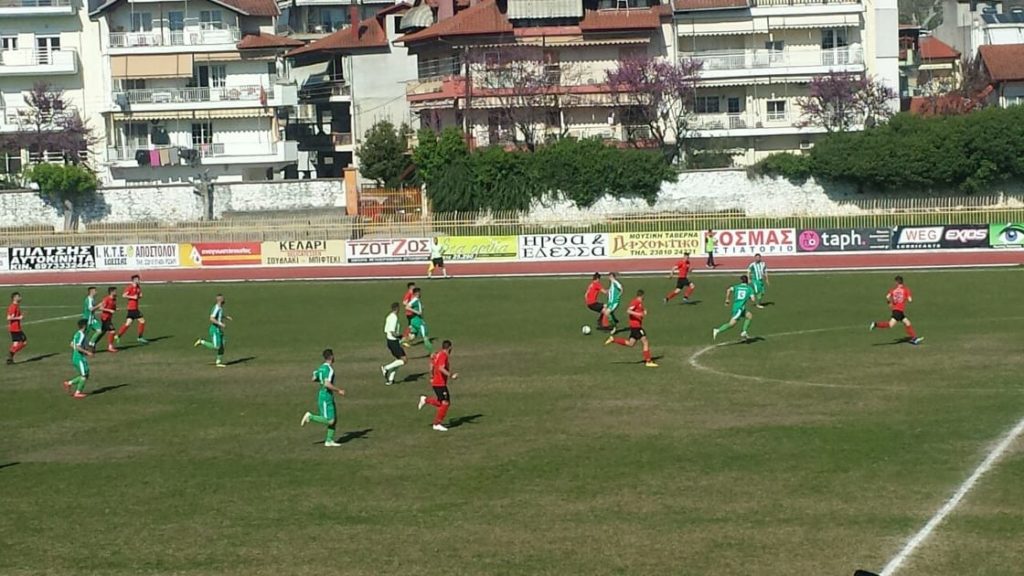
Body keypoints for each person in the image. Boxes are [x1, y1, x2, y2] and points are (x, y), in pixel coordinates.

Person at [300, 349, 346, 447]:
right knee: (330, 420)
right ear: (331, 357)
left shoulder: (321, 368)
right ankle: (310, 417)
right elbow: (327, 384)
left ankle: (329, 440)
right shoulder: (329, 369)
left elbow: (313, 378)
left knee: (334, 418)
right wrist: (339, 390)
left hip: (325, 395)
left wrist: (318, 378)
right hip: (326, 396)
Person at [605, 289, 658, 367]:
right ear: (642, 296)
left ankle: (613, 339)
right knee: (645, 341)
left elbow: (640, 311)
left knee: (631, 343)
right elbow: (628, 311)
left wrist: (644, 312)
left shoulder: (640, 303)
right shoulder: (635, 302)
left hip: (635, 327)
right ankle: (648, 361)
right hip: (636, 326)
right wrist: (639, 314)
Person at [871, 275, 923, 345]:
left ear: (896, 282)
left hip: (896, 310)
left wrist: (889, 303)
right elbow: (910, 300)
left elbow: (887, 296)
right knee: (890, 325)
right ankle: (876, 324)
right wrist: (907, 298)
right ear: (902, 282)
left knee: (907, 323)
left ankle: (914, 339)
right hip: (899, 311)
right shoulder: (906, 289)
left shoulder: (893, 290)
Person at [418, 339, 457, 432]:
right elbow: (441, 368)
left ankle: (425, 400)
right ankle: (437, 424)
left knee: (441, 402)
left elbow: (431, 365)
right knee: (446, 403)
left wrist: (431, 376)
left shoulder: (437, 354)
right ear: (450, 348)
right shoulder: (443, 355)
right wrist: (451, 375)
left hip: (436, 382)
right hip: (440, 383)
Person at [713, 275, 755, 341]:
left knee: (749, 315)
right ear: (747, 281)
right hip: (739, 309)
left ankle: (744, 331)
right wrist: (748, 296)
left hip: (737, 307)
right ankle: (717, 330)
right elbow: (753, 299)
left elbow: (728, 290)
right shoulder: (749, 288)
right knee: (731, 324)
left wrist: (727, 299)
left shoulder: (736, 287)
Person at [194, 294, 232, 367]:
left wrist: (226, 317)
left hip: (219, 330)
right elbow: (211, 318)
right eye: (223, 299)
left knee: (222, 344)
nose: (224, 300)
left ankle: (218, 362)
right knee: (216, 346)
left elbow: (219, 315)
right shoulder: (216, 308)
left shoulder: (220, 308)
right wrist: (220, 324)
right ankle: (201, 341)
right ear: (220, 300)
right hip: (215, 329)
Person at [63, 319, 93, 399]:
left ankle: (68, 383)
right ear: (84, 326)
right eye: (87, 325)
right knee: (84, 376)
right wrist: (87, 352)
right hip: (79, 358)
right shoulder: (81, 335)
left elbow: (71, 344)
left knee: (86, 374)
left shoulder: (77, 334)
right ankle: (77, 393)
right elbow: (78, 347)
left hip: (77, 357)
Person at [116, 275, 148, 345]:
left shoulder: (138, 287)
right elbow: (124, 295)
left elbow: (140, 295)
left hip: (133, 308)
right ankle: (140, 337)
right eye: (137, 279)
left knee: (128, 323)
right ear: (134, 280)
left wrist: (139, 296)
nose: (139, 280)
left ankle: (118, 336)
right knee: (142, 321)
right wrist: (132, 297)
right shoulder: (130, 287)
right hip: (132, 308)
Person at [381, 302, 406, 385]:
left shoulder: (389, 316)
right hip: (393, 342)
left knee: (398, 360)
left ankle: (391, 380)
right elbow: (392, 332)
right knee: (404, 360)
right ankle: (386, 368)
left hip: (390, 341)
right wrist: (400, 336)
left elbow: (386, 330)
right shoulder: (394, 318)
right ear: (397, 308)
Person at [404, 287, 434, 354]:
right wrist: (417, 312)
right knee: (425, 337)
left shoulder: (417, 300)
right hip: (417, 321)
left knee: (412, 336)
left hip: (415, 320)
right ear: (417, 293)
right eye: (420, 292)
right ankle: (432, 353)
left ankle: (399, 342)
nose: (421, 294)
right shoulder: (415, 300)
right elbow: (407, 307)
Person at [97, 287, 119, 353]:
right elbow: (101, 308)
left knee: (102, 332)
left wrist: (115, 309)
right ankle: (110, 347)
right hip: (105, 318)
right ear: (111, 292)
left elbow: (113, 307)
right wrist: (109, 310)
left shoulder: (114, 299)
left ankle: (92, 343)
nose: (116, 292)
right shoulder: (106, 299)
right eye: (115, 291)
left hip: (109, 318)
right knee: (112, 331)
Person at [7, 292, 26, 365]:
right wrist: (19, 318)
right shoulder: (13, 307)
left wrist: (20, 316)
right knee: (24, 342)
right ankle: (11, 354)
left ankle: (10, 359)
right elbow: (9, 318)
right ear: (15, 298)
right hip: (15, 328)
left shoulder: (16, 306)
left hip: (14, 328)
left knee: (15, 343)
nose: (20, 298)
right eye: (19, 296)